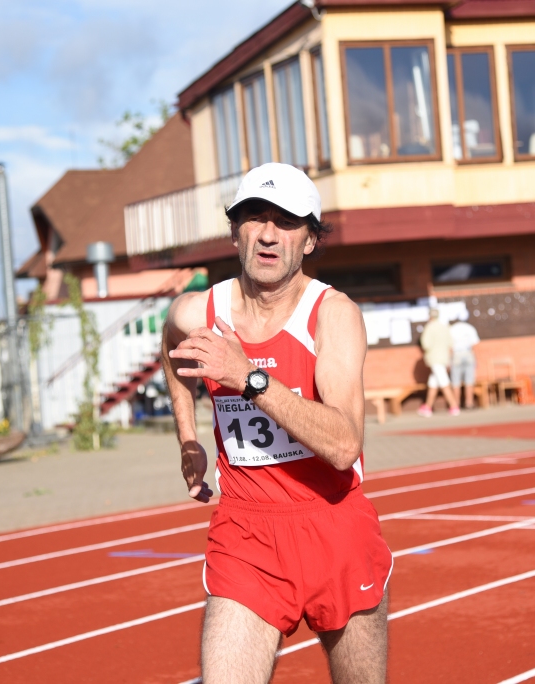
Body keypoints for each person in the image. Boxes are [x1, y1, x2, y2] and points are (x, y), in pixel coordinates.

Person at [162, 162, 392, 684]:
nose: (268, 234)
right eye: (254, 217)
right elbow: (169, 335)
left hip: (334, 526)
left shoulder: (332, 315)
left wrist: (248, 377)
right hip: (246, 531)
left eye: (287, 222)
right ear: (234, 231)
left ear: (309, 240)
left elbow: (343, 443)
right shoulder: (202, 310)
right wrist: (187, 436)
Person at [417, 307, 459, 417]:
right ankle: (427, 407)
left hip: (434, 359)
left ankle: (454, 406)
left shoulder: (429, 328)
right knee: (433, 383)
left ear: (429, 316)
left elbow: (425, 344)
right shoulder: (445, 327)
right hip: (444, 358)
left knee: (444, 382)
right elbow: (451, 344)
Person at [449, 310, 481, 409]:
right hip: (468, 354)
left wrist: (449, 360)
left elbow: (449, 347)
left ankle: (456, 404)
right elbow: (474, 345)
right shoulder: (470, 328)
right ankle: (469, 403)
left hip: (456, 355)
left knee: (456, 381)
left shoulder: (452, 329)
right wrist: (476, 359)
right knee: (469, 381)